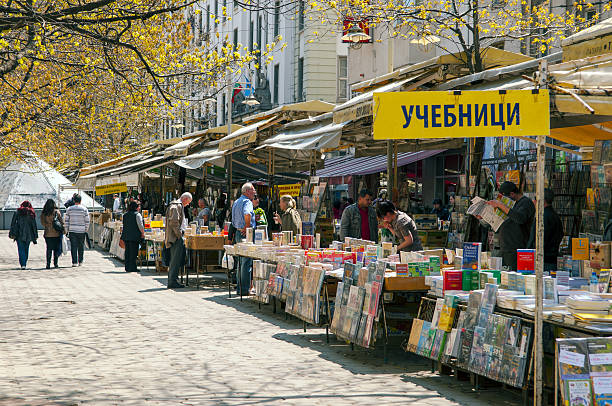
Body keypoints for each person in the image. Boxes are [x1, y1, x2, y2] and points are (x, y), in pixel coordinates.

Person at [486, 181, 535, 271]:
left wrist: (500, 205)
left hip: (517, 249)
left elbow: (520, 218)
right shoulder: (510, 204)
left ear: (512, 194)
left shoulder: (526, 203)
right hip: (504, 248)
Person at [527, 189, 564, 272]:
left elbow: (539, 239)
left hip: (543, 260)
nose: (534, 201)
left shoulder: (543, 217)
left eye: (536, 199)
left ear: (542, 201)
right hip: (551, 258)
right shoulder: (554, 215)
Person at [232, 183, 256, 295]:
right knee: (246, 262)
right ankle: (245, 289)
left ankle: (239, 289)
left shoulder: (237, 202)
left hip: (238, 232)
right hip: (245, 233)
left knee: (240, 262)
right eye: (253, 190)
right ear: (247, 191)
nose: (254, 193)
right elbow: (247, 214)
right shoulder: (247, 202)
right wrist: (247, 227)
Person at [165, 192, 192, 289]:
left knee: (176, 260)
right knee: (175, 260)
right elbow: (174, 222)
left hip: (176, 237)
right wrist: (179, 234)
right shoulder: (176, 206)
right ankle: (172, 281)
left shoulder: (177, 206)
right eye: (188, 202)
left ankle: (173, 280)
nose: (188, 204)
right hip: (175, 238)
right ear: (184, 199)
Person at [9, 201, 38, 269]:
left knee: (21, 249)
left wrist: (11, 233)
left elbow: (13, 223)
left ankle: (22, 263)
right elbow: (34, 225)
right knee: (26, 249)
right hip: (28, 234)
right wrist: (35, 235)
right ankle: (24, 262)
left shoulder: (17, 212)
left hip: (19, 233)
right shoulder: (31, 213)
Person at [64, 194, 90, 267]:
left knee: (73, 246)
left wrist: (67, 230)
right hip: (81, 230)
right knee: (81, 246)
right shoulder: (84, 209)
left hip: (72, 230)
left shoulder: (69, 209)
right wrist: (86, 229)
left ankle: (74, 262)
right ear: (80, 200)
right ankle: (80, 261)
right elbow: (87, 221)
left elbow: (66, 221)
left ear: (74, 200)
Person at [121, 201, 145, 273]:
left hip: (126, 236)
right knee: (134, 252)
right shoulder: (137, 215)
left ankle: (127, 267)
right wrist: (143, 233)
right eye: (139, 206)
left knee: (128, 252)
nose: (139, 208)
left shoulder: (125, 215)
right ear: (136, 207)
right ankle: (133, 267)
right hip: (134, 236)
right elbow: (140, 225)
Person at [40, 199, 63, 269]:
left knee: (49, 249)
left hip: (48, 234)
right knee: (56, 249)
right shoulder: (56, 212)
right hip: (56, 233)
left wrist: (48, 225)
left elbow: (42, 223)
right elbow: (61, 222)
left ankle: (48, 264)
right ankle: (55, 263)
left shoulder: (44, 213)